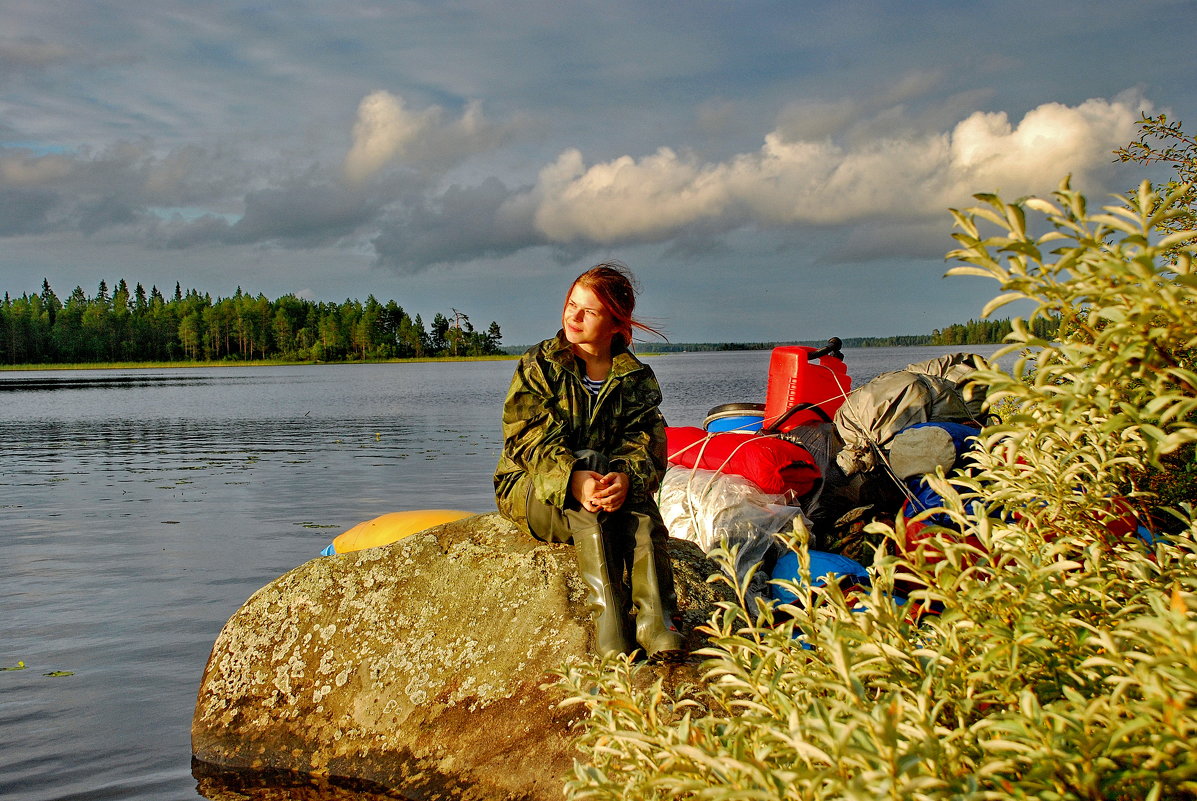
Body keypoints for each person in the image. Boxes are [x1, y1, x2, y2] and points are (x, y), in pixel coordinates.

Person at [494, 262, 684, 659]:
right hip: (532, 490)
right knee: (591, 466)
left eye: (589, 311)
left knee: (642, 511)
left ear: (616, 323)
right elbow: (526, 438)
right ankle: (612, 628)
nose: (573, 317)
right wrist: (575, 480)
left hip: (603, 488)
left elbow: (648, 443)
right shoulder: (540, 365)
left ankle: (658, 625)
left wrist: (626, 479)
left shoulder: (635, 377)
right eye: (571, 305)